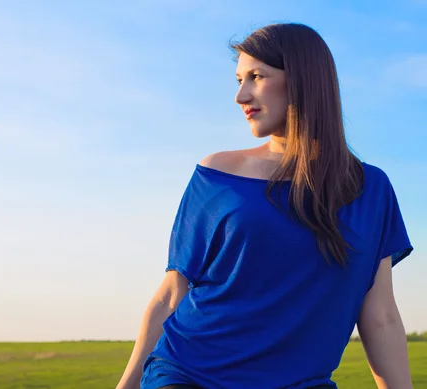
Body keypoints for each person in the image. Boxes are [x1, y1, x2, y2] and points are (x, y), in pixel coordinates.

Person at [115, 23, 414, 389]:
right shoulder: (217, 174)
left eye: (256, 76)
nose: (241, 96)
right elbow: (172, 292)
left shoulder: (370, 189)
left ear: (304, 80)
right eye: (239, 79)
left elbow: (380, 315)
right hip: (190, 375)